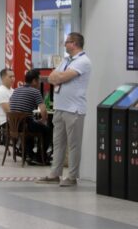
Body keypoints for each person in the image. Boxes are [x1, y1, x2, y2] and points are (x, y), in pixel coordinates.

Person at [37, 32, 92, 187]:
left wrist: (58, 77)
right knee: (58, 143)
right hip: (60, 108)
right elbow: (51, 77)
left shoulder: (83, 61)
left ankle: (72, 177)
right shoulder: (66, 60)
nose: (64, 44)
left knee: (74, 145)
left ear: (74, 43)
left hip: (74, 109)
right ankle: (55, 174)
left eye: (66, 42)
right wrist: (57, 76)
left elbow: (59, 78)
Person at [8, 69, 52, 165]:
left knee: (31, 124)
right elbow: (43, 110)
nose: (39, 82)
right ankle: (41, 157)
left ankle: (29, 155)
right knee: (47, 130)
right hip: (26, 124)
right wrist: (43, 120)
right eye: (38, 80)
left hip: (14, 125)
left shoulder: (16, 90)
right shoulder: (35, 91)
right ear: (34, 81)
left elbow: (11, 105)